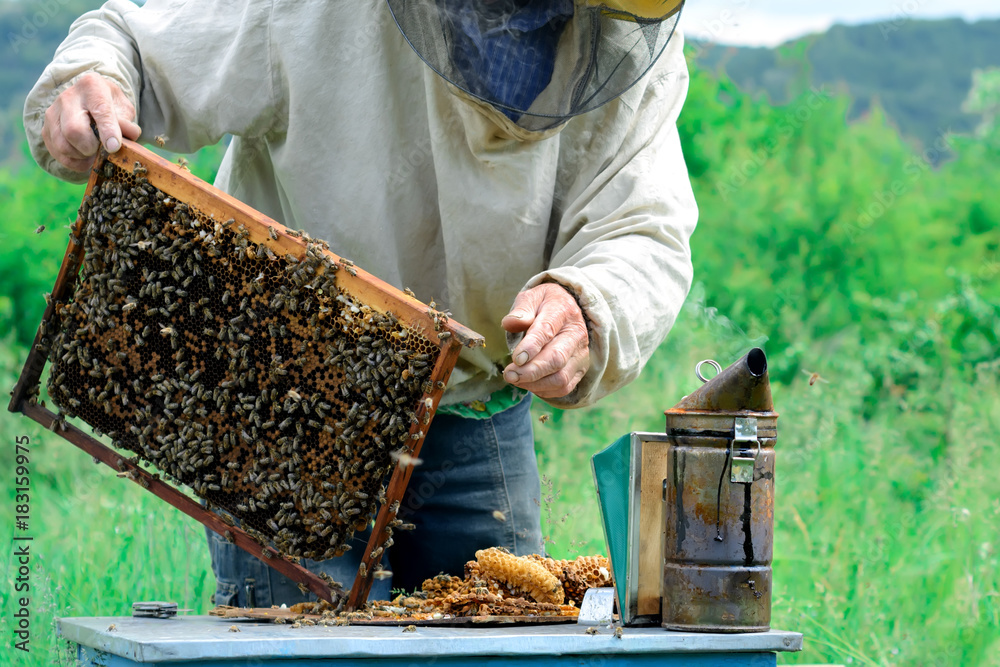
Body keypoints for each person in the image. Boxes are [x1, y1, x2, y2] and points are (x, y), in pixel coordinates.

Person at [25, 0, 697, 606]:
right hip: (284, 406)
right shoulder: (316, 11)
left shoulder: (627, 30)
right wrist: (93, 83)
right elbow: (136, 47)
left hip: (475, 406)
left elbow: (642, 225)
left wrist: (587, 303)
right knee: (302, 654)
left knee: (496, 640)